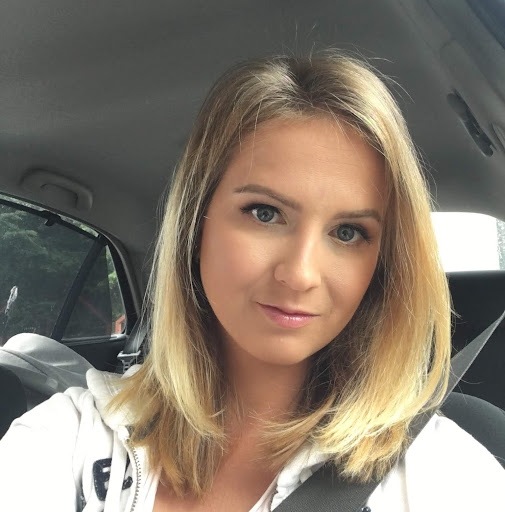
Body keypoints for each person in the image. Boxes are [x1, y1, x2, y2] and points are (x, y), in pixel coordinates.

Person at [0, 51, 503, 512]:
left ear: (381, 264)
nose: (300, 274)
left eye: (348, 232)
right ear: (197, 222)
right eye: (265, 213)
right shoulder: (68, 439)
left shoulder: (445, 477)